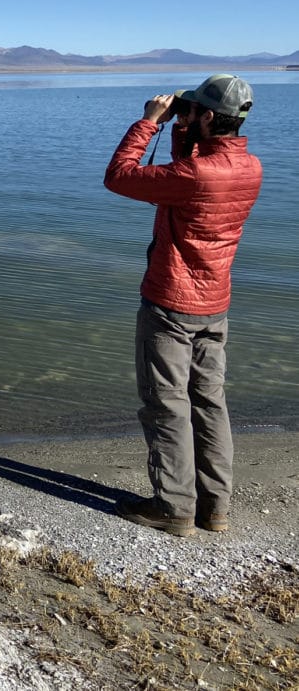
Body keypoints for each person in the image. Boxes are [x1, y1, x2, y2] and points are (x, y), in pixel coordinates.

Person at [104, 74, 262, 536]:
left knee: (166, 405)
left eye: (192, 111)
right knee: (209, 403)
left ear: (207, 117)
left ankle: (173, 508)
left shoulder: (193, 175)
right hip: (215, 304)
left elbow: (120, 176)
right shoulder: (250, 167)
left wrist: (148, 122)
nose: (184, 115)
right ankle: (216, 507)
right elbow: (189, 173)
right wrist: (183, 129)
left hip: (171, 302)